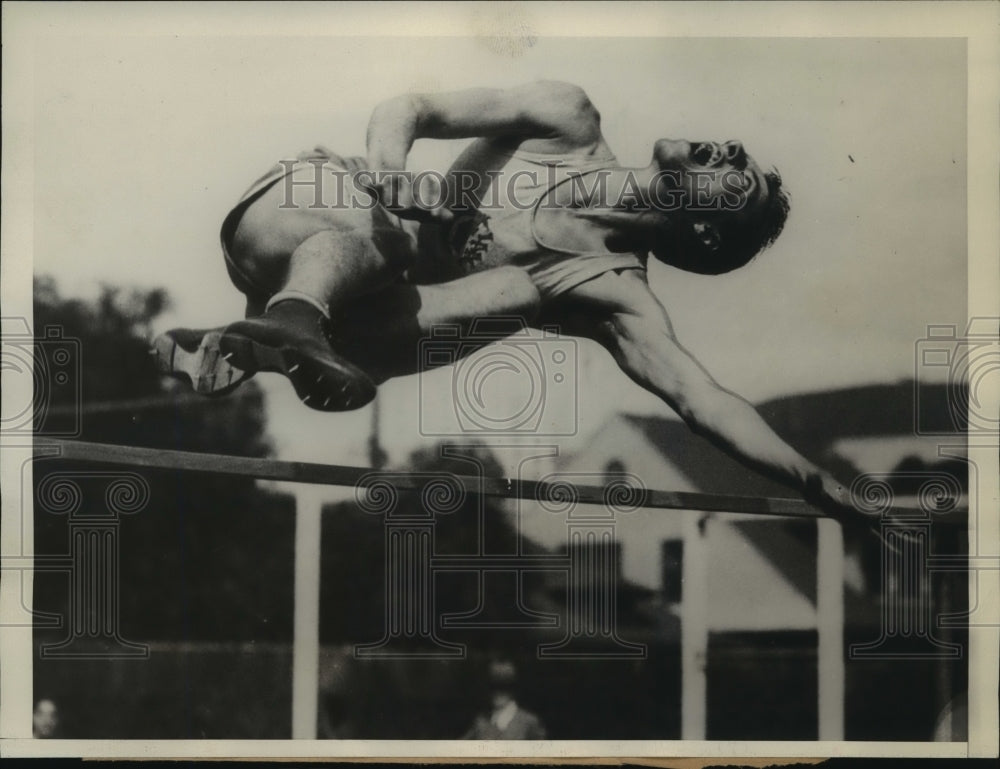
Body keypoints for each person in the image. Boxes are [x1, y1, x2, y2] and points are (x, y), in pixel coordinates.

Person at [155, 80, 861, 525]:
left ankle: (251, 341)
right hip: (295, 212)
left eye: (739, 180)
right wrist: (392, 173)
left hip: (358, 320)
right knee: (397, 241)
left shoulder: (616, 296)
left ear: (706, 233)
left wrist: (817, 479)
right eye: (739, 154)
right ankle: (287, 327)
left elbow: (703, 399)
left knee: (523, 290)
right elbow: (410, 107)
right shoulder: (567, 119)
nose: (732, 147)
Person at [461, 659, 546, 740]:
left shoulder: (529, 722)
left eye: (504, 687)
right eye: (493, 687)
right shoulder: (480, 722)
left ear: (514, 690)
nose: (498, 693)